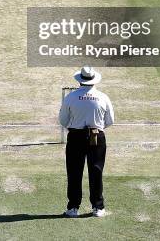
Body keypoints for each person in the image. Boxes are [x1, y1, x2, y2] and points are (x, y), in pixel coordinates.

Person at [59, 66, 115, 218]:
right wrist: (97, 127)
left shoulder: (70, 97)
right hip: (96, 136)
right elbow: (110, 121)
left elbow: (63, 120)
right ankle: (98, 207)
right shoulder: (103, 97)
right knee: (96, 171)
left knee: (74, 172)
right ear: (94, 80)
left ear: (80, 80)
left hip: (75, 136)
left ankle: (73, 208)